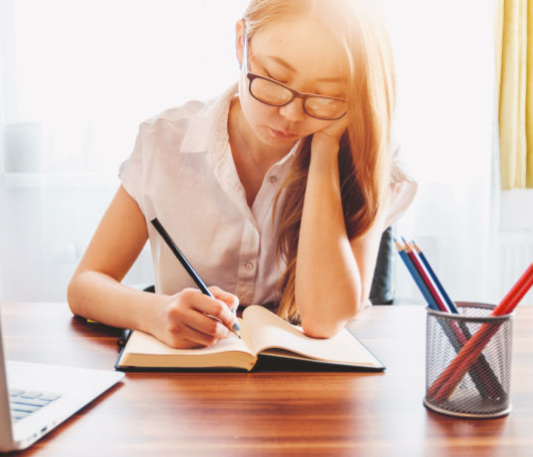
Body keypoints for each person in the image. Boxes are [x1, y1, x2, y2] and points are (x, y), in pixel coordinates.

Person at [68, 0, 416, 349]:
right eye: (275, 79)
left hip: (308, 390)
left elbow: (324, 320)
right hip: (182, 385)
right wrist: (154, 311)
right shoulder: (166, 142)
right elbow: (85, 284)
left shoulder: (366, 161)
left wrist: (326, 146)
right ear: (241, 42)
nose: (291, 114)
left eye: (325, 93)